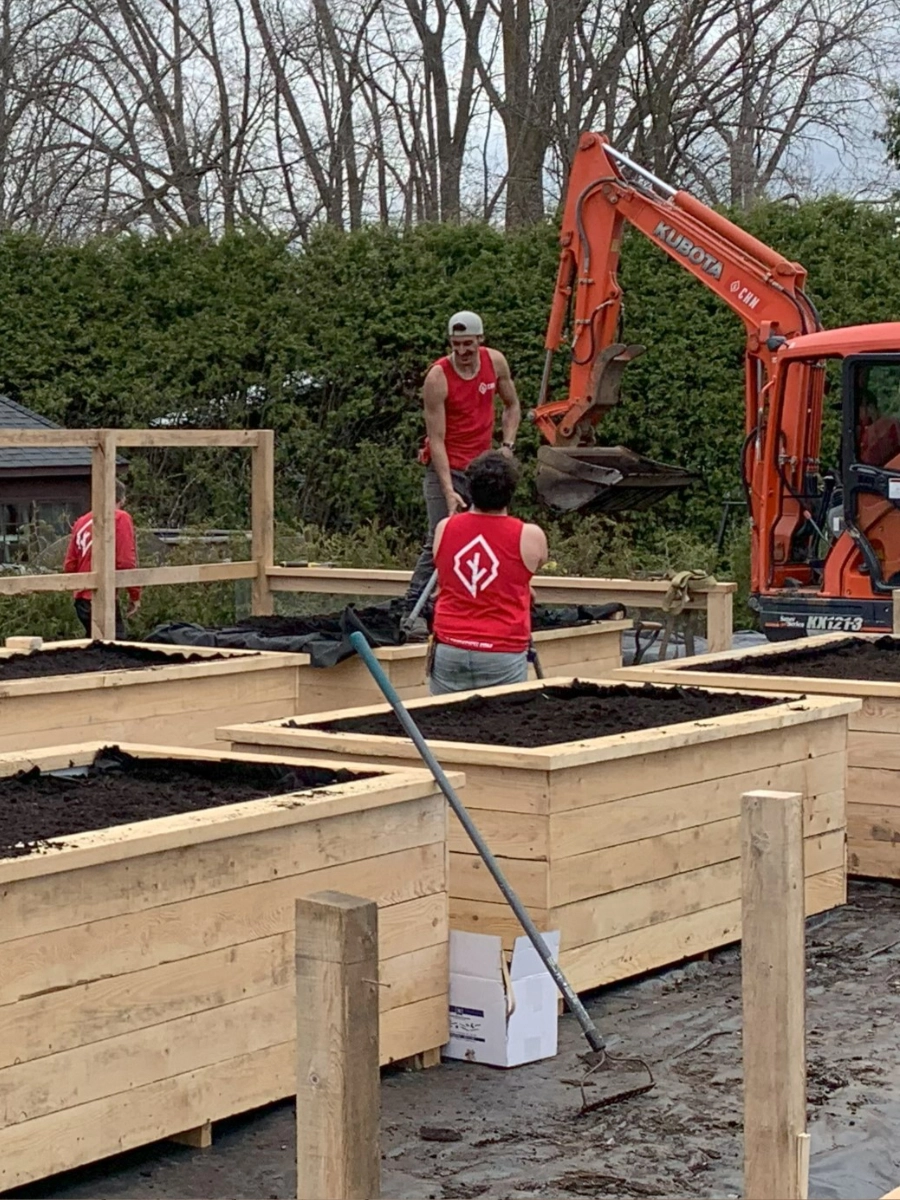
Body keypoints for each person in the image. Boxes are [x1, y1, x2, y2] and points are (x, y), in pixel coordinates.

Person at [403, 310, 522, 628]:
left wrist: (506, 446)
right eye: (456, 345)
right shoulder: (438, 378)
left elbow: (512, 406)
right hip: (447, 463)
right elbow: (436, 439)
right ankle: (412, 612)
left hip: (483, 466)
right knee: (441, 536)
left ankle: (486, 606)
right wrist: (448, 490)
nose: (463, 352)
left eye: (468, 344)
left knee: (492, 531)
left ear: (480, 340)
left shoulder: (495, 362)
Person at [429, 450, 548, 694]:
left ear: (469, 488)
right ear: (511, 492)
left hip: (450, 646)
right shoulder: (530, 535)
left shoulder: (445, 528)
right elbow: (520, 572)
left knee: (442, 726)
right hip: (502, 650)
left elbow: (451, 576)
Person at [63, 479, 141, 638]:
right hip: (103, 596)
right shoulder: (120, 518)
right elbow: (125, 562)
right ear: (122, 499)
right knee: (117, 647)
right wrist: (135, 595)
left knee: (96, 644)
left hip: (82, 598)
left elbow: (70, 565)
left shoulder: (82, 522)